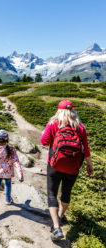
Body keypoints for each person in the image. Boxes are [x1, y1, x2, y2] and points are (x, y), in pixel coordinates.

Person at [41, 100, 94, 241]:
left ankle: (56, 227)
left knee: (52, 194)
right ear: (73, 111)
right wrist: (90, 165)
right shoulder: (80, 127)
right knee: (66, 192)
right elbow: (86, 150)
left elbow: (43, 141)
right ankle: (60, 217)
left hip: (54, 164)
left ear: (58, 111)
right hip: (73, 167)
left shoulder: (53, 123)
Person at [0, 129, 24, 218]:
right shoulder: (11, 149)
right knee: (8, 185)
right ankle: (8, 199)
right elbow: (16, 162)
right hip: (8, 173)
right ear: (7, 140)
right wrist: (20, 175)